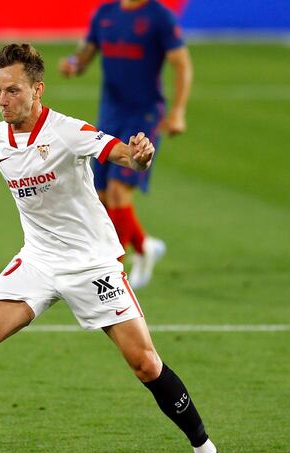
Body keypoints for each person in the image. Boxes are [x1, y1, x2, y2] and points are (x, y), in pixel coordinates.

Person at [0, 44, 243, 453]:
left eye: (13, 90)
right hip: (39, 260)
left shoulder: (68, 132)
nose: (3, 100)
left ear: (37, 90)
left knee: (144, 363)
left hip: (90, 264)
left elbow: (119, 153)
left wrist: (139, 156)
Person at [59, 0, 193, 289]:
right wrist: (73, 64)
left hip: (143, 115)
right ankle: (144, 248)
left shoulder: (159, 17)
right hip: (110, 114)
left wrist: (177, 112)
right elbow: (85, 54)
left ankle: (112, 273)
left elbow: (182, 65)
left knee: (120, 191)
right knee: (103, 195)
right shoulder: (106, 14)